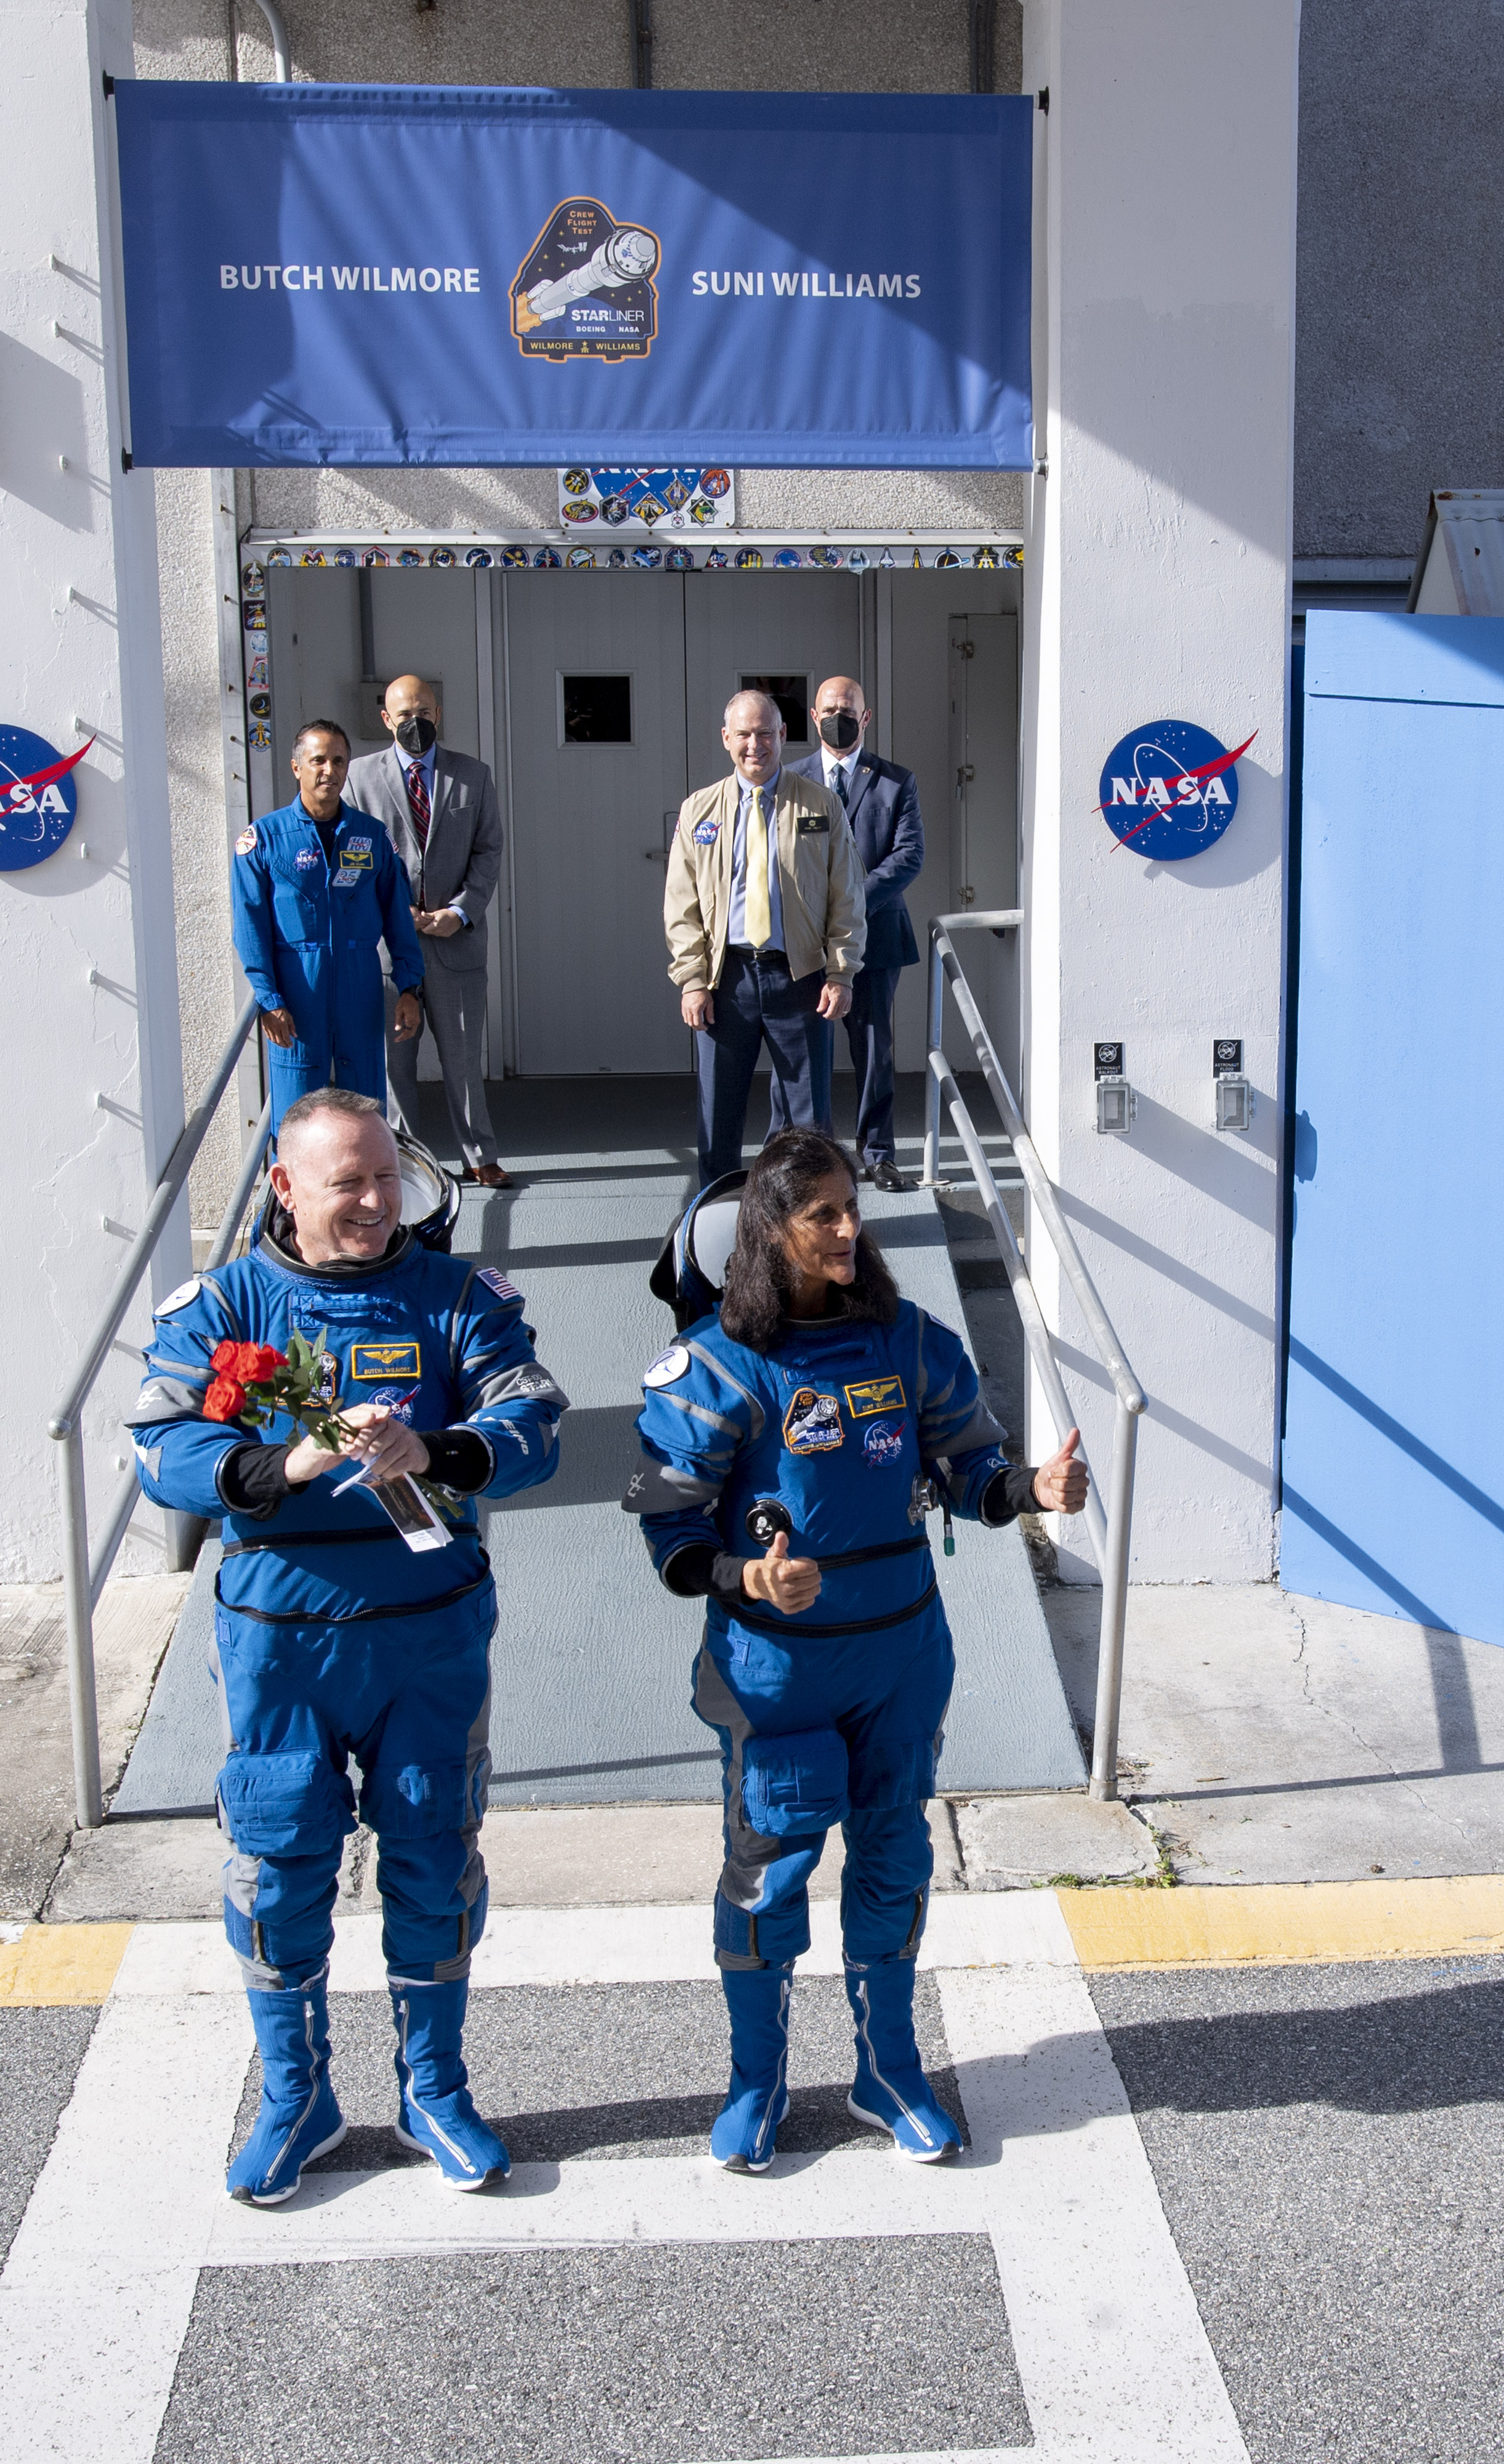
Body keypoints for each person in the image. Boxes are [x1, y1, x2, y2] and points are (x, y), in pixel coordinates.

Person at [128, 1087, 567, 2206]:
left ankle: (432, 2089)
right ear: (283, 1187)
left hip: (427, 1637)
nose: (375, 1201)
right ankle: (295, 2098)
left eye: (385, 1177)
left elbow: (532, 1418)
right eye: (347, 1183)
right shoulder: (224, 1303)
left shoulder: (455, 1296)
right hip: (280, 1642)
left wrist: (443, 1448)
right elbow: (160, 1442)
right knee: (277, 1866)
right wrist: (279, 1469)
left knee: (432, 1856)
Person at [624, 1127, 1088, 2173]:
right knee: (769, 1875)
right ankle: (756, 2084)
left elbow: (970, 1468)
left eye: (848, 1210)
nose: (845, 1230)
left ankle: (886, 2070)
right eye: (819, 1215)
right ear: (765, 1235)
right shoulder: (712, 1368)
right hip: (774, 1670)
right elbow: (662, 1522)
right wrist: (747, 1578)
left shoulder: (910, 1341)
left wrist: (1028, 1493)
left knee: (892, 1859)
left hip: (899, 1658)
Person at [663, 689, 866, 1190]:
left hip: (799, 978)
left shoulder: (820, 804)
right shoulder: (699, 811)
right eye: (745, 734)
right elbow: (681, 905)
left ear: (782, 736)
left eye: (766, 734)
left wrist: (841, 971)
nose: (756, 745)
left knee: (809, 1122)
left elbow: (847, 895)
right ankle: (717, 1223)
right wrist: (692, 980)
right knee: (718, 1119)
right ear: (726, 738)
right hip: (724, 980)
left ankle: (805, 1222)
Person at [345, 675, 514, 1188]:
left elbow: (488, 851)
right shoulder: (358, 777)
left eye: (422, 711)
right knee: (395, 1065)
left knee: (463, 1057)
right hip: (387, 947)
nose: (413, 721)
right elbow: (353, 857)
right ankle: (404, 1163)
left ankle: (479, 1155)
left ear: (438, 714)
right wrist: (396, 913)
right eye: (402, 714)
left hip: (455, 941)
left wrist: (460, 912)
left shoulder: (473, 775)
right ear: (385, 719)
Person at [231, 720, 424, 1129]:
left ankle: (360, 1188)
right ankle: (293, 1195)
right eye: (318, 760)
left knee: (364, 1103)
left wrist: (410, 988)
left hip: (359, 983)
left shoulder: (371, 837)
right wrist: (269, 999)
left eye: (338, 760)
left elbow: (398, 918)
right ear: (296, 767)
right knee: (295, 1106)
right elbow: (250, 927)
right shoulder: (263, 839)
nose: (329, 770)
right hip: (298, 988)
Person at [786, 678, 924, 1193]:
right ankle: (805, 1154)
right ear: (812, 716)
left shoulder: (895, 781)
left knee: (873, 1050)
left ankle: (879, 1154)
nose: (837, 718)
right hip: (802, 941)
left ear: (865, 718)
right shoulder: (789, 779)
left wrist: (847, 904)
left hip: (875, 938)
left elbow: (909, 856)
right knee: (801, 1051)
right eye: (828, 710)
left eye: (847, 710)